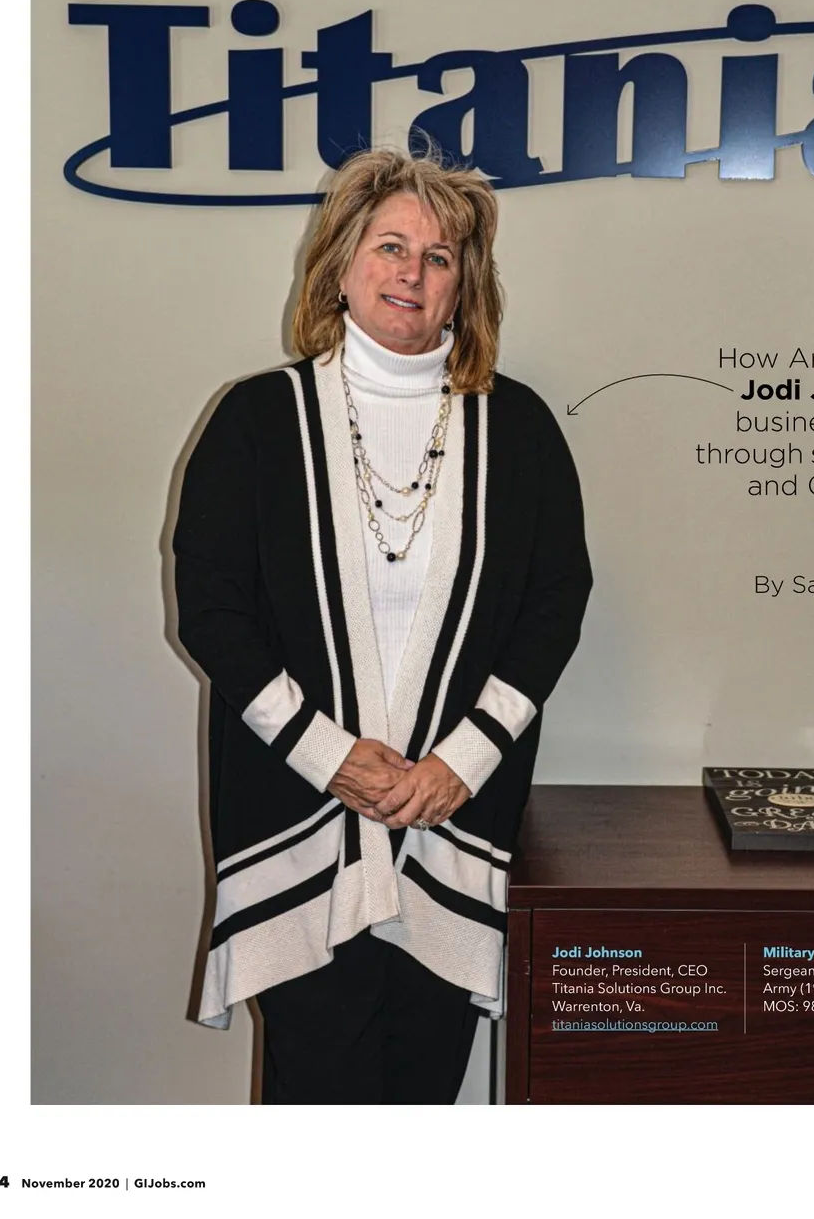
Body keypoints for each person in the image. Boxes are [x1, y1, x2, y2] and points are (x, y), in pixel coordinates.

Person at [173, 148, 592, 1103]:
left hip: (454, 818)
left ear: (464, 288)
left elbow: (554, 605)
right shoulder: (257, 420)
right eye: (391, 247)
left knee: (421, 1101)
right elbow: (213, 609)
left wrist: (461, 763)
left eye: (440, 258)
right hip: (300, 819)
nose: (412, 272)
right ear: (341, 267)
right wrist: (330, 757)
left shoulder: (520, 429)